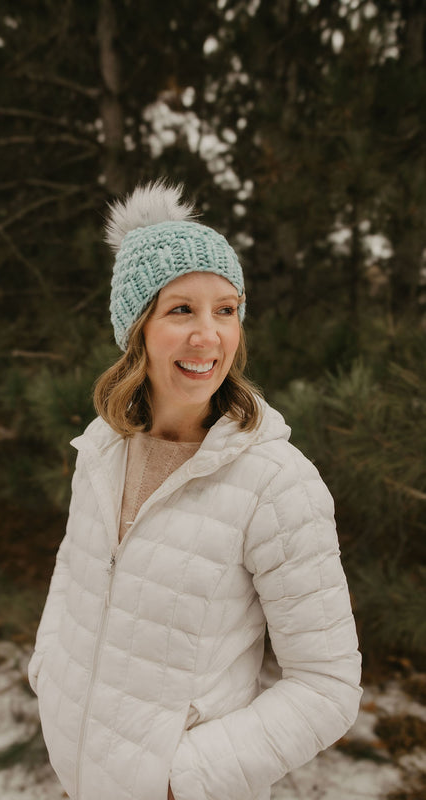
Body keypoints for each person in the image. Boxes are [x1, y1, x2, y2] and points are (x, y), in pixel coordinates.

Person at [28, 181, 362, 800]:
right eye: (181, 310)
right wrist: (50, 677)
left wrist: (182, 780)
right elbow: (74, 575)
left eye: (226, 310)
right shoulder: (101, 449)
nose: (208, 335)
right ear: (137, 329)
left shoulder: (276, 482)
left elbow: (327, 685)